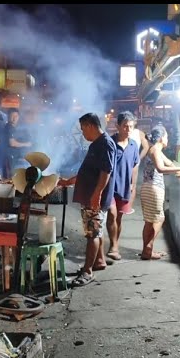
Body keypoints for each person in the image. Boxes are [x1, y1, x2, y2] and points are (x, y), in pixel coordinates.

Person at [58, 113, 116, 287]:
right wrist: (69, 181)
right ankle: (99, 262)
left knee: (93, 233)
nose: (83, 133)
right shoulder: (96, 144)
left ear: (90, 125)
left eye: (83, 129)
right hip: (91, 195)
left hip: (94, 197)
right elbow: (88, 171)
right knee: (95, 230)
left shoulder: (105, 144)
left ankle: (87, 271)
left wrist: (97, 194)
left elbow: (106, 171)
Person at [139, 125, 180, 260]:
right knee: (159, 219)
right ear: (161, 138)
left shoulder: (156, 150)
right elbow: (161, 169)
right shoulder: (155, 150)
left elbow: (170, 164)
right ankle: (147, 248)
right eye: (166, 136)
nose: (168, 139)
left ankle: (147, 251)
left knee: (149, 222)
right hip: (153, 189)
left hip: (149, 188)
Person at [106, 111, 140, 261]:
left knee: (118, 217)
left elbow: (135, 165)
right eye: (125, 126)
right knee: (112, 214)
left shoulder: (133, 145)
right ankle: (113, 246)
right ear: (117, 126)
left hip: (125, 186)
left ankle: (115, 244)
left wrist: (133, 184)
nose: (128, 130)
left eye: (131, 127)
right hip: (110, 185)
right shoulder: (110, 143)